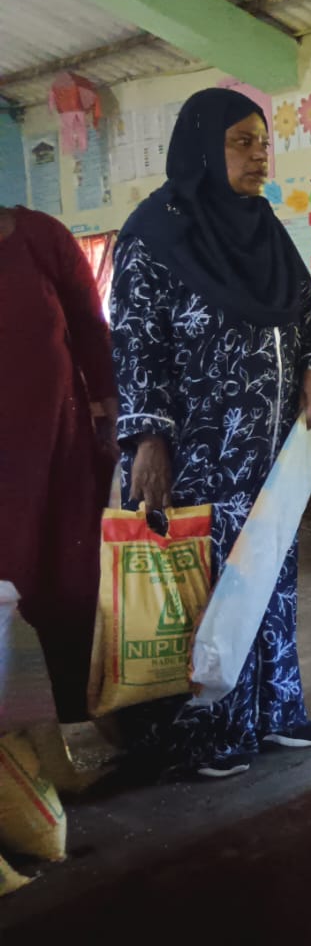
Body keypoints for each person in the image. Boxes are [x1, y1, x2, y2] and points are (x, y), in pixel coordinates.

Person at [111, 88, 311, 779]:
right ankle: (206, 729)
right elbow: (136, 343)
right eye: (241, 142)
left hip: (271, 453)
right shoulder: (155, 234)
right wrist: (148, 439)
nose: (258, 155)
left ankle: (275, 709)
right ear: (203, 146)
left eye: (263, 143)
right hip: (196, 457)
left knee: (270, 575)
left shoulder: (264, 226)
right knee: (207, 586)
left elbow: (304, 311)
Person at [0, 206, 116, 722]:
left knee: (70, 580)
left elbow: (91, 330)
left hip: (59, 447)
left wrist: (113, 415)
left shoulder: (41, 237)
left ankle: (74, 713)